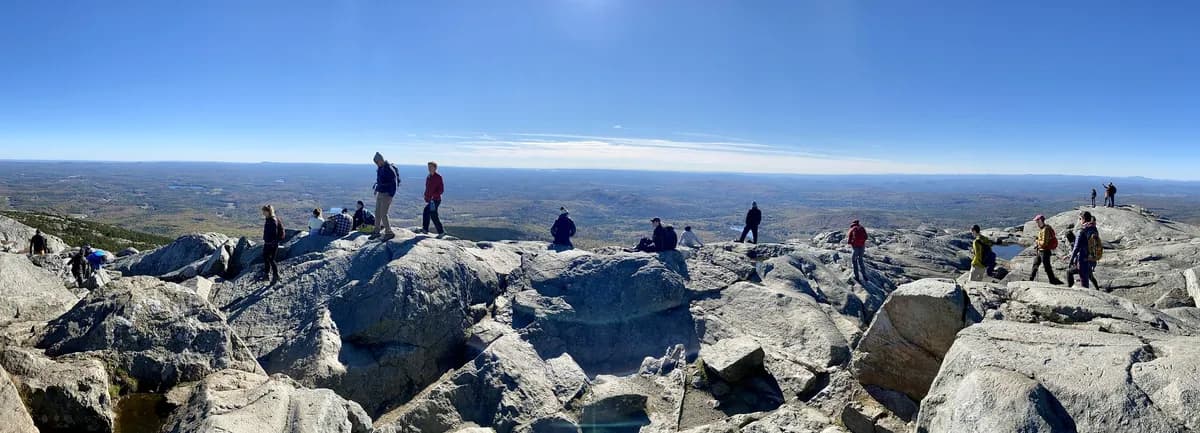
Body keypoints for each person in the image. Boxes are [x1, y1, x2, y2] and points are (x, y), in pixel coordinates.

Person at [371, 152, 400, 240]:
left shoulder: (389, 169)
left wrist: (391, 196)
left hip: (387, 194)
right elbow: (379, 180)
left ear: (381, 160)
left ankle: (389, 232)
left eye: (377, 162)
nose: (377, 164)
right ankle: (376, 231)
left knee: (383, 214)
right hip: (381, 192)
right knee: (377, 212)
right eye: (375, 162)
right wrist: (377, 189)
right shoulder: (380, 168)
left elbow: (394, 183)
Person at [1028, 215, 1064, 285]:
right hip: (1041, 250)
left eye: (1037, 221)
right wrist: (1038, 243)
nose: (1036, 223)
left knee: (1047, 267)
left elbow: (1044, 243)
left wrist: (1037, 241)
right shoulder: (1043, 228)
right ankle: (1030, 279)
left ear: (1041, 220)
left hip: (1045, 251)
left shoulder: (1045, 229)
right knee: (1035, 264)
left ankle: (1053, 281)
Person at [1070, 211, 1101, 289]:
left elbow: (1076, 248)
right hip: (1091, 259)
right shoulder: (1094, 229)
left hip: (1082, 259)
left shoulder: (1082, 231)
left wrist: (1071, 260)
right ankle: (1096, 289)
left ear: (1083, 219)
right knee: (1087, 278)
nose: (1079, 220)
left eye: (1080, 219)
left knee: (1084, 284)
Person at [261, 205, 283, 283]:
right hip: (268, 243)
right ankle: (267, 275)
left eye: (264, 211)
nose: (263, 213)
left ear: (268, 211)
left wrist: (272, 242)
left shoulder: (272, 220)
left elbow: (274, 233)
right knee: (266, 258)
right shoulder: (269, 219)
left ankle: (275, 275)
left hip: (271, 244)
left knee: (270, 259)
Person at [422, 161, 445, 236]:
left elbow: (441, 190)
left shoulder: (438, 177)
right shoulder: (429, 177)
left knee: (429, 213)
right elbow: (427, 188)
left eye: (431, 167)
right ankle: (438, 231)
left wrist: (432, 195)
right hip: (431, 200)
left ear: (435, 168)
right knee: (431, 214)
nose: (429, 168)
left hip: (435, 200)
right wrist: (426, 195)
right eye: (428, 167)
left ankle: (427, 230)